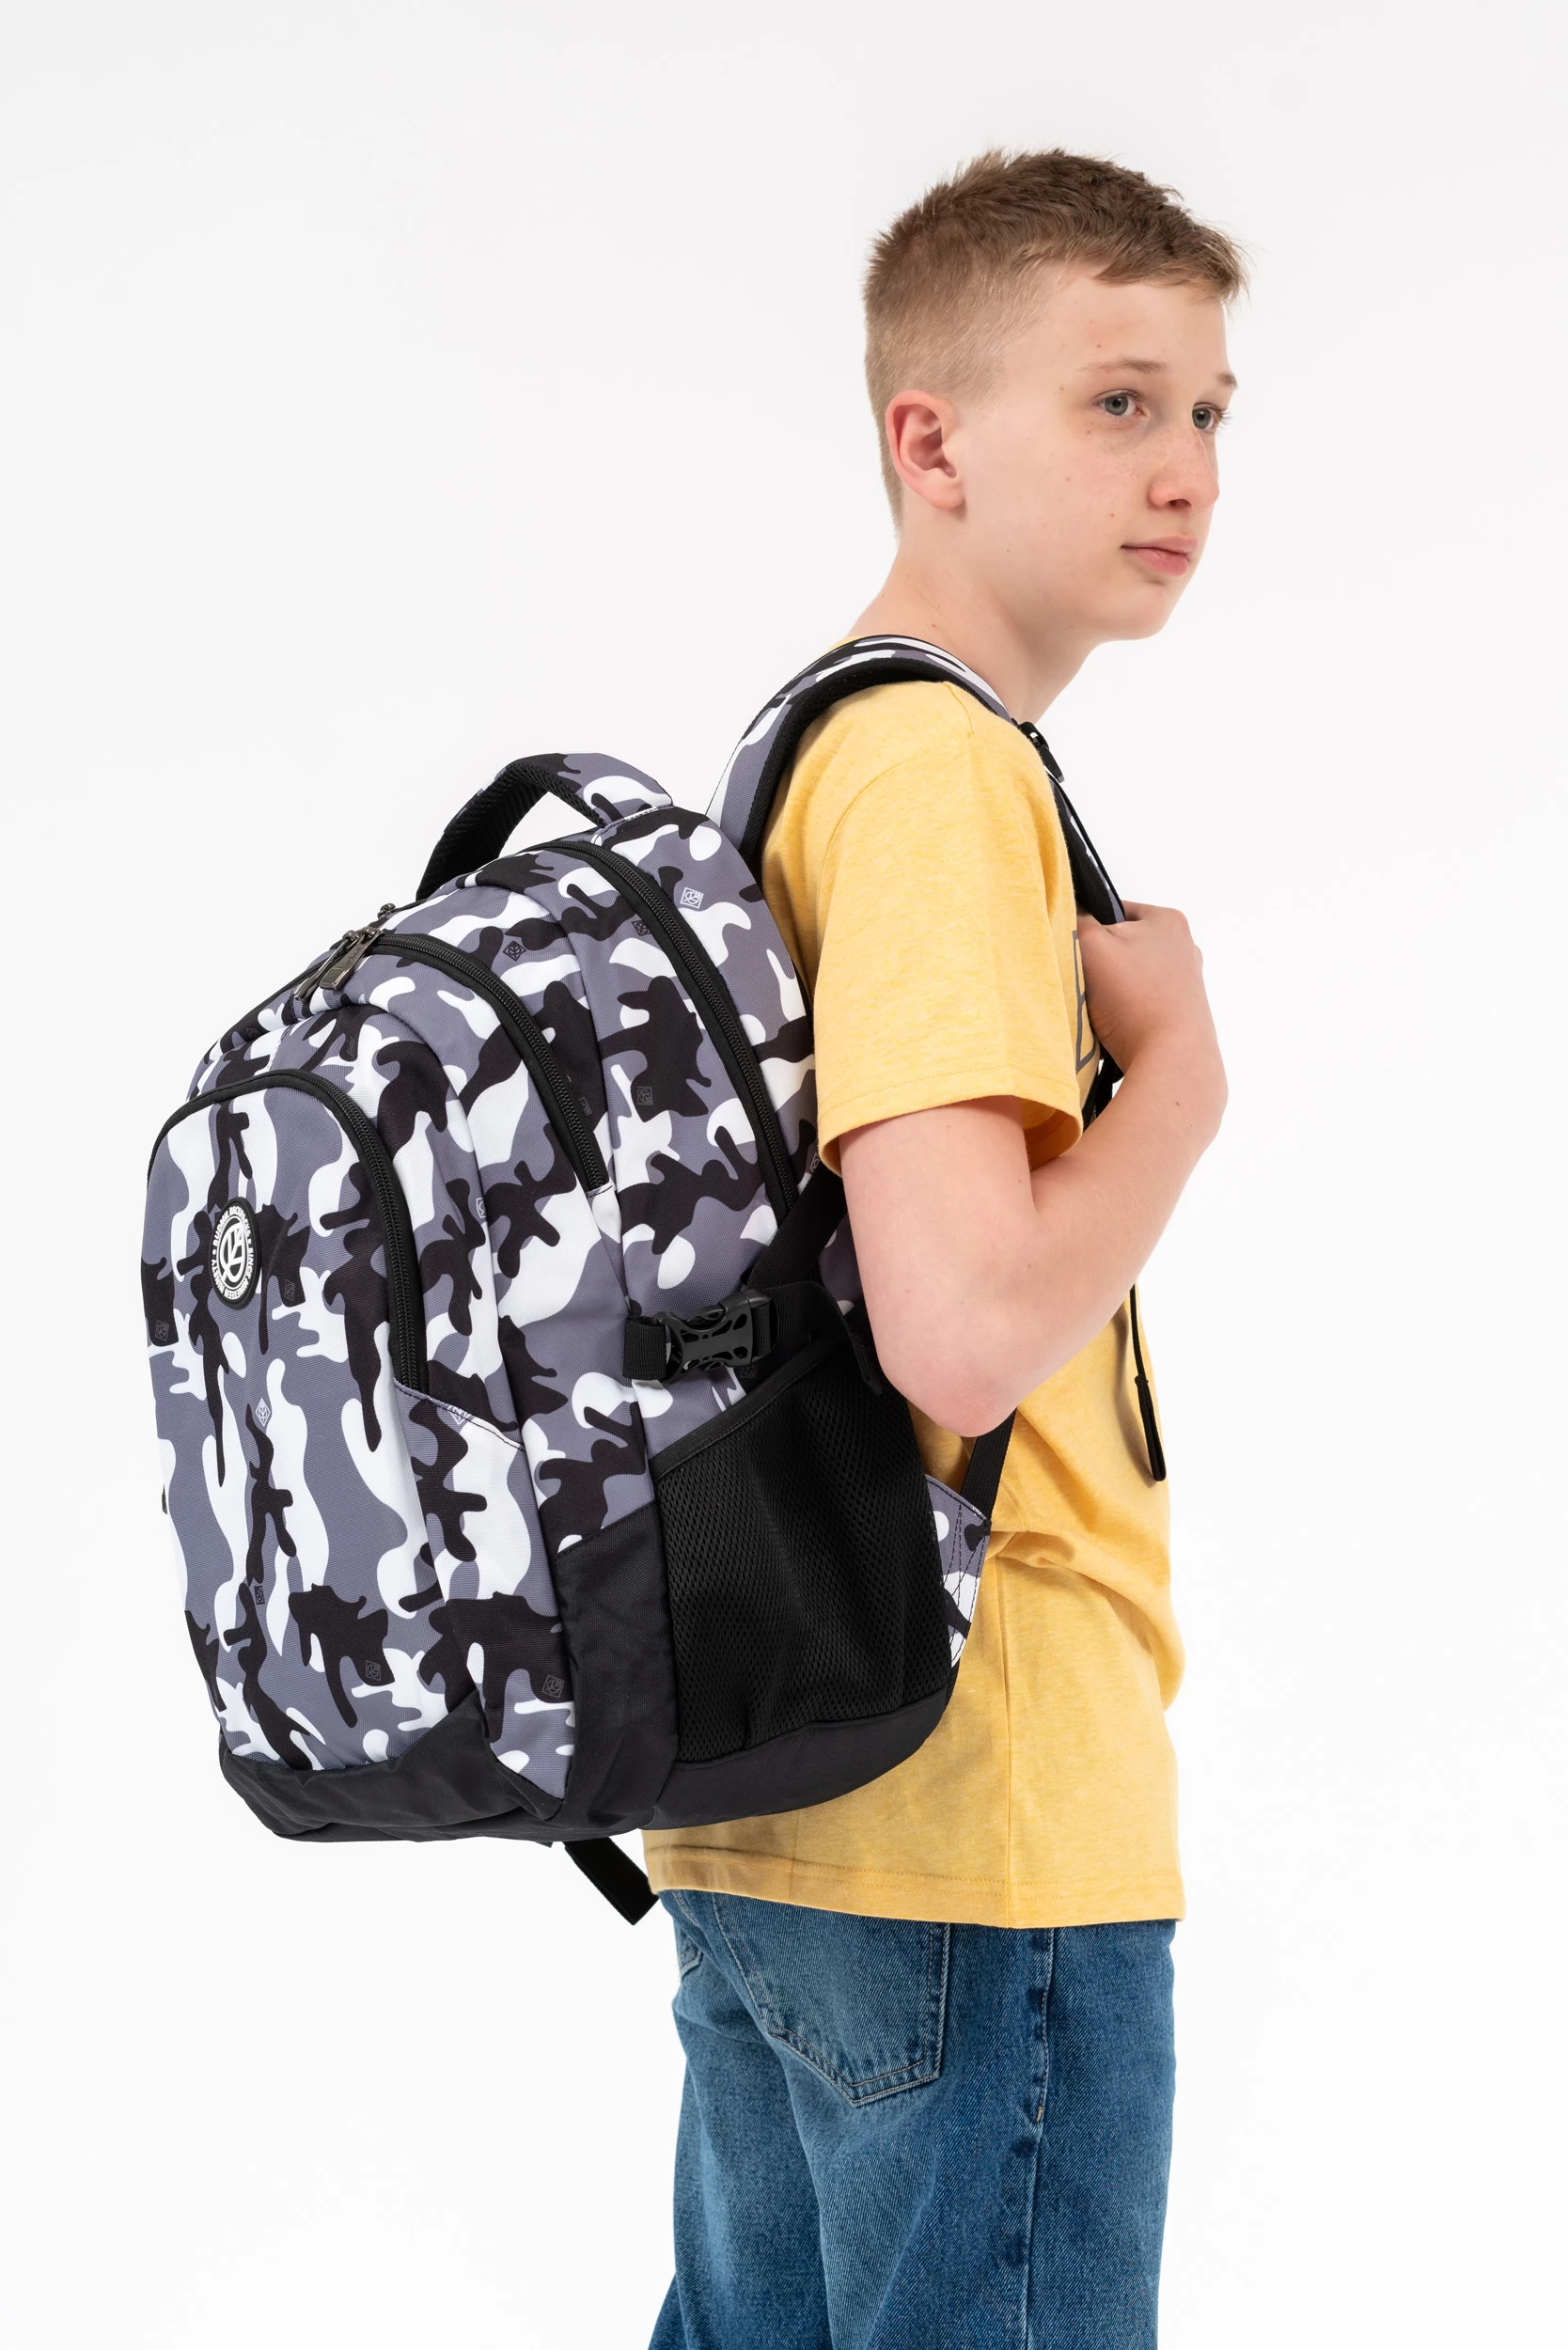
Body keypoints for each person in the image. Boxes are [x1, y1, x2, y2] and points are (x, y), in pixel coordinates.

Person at [642, 149, 1243, 2349]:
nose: (1184, 469)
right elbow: (963, 1325)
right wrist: (1181, 1079)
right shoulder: (930, 776)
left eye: (1208, 410)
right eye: (1118, 401)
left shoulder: (814, 748)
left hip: (794, 1793)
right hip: (977, 1817)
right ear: (932, 437)